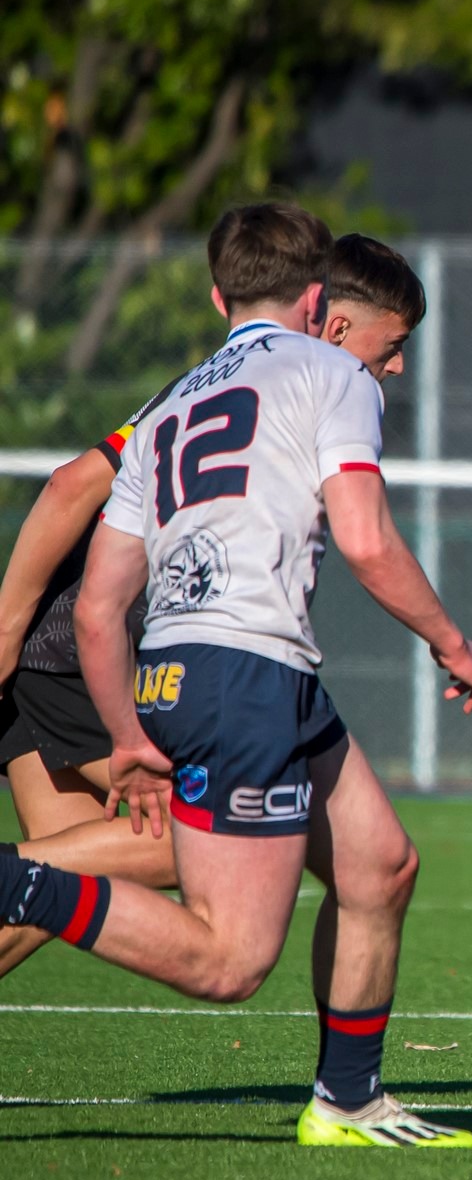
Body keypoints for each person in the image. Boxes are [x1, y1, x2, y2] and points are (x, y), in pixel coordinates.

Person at [0, 204, 472, 1149]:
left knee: (380, 865)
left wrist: (134, 736)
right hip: (245, 673)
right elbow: (364, 538)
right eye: (390, 351)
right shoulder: (332, 373)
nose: (389, 368)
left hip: (201, 670)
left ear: (219, 295)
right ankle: (18, 886)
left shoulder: (170, 404)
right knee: (227, 959)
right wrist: (451, 641)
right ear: (318, 302)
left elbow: (102, 607)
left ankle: (348, 1100)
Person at [0, 233, 432, 980]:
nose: (395, 366)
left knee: (73, 883)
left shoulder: (225, 379)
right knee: (181, 836)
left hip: (68, 649)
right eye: (391, 345)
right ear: (328, 320)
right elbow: (74, 484)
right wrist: (6, 630)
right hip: (70, 652)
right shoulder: (258, 387)